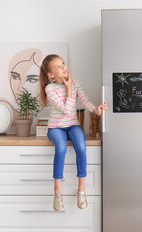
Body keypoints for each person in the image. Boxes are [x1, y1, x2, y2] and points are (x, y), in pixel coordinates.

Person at [39, 54, 107, 211]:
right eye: (58, 67)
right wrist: (69, 88)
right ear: (50, 75)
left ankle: (81, 190)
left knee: (81, 147)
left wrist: (96, 110)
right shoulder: (50, 89)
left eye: (63, 64)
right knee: (61, 148)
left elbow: (86, 101)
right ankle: (57, 193)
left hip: (72, 125)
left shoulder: (75, 84)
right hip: (55, 127)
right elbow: (67, 110)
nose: (63, 67)